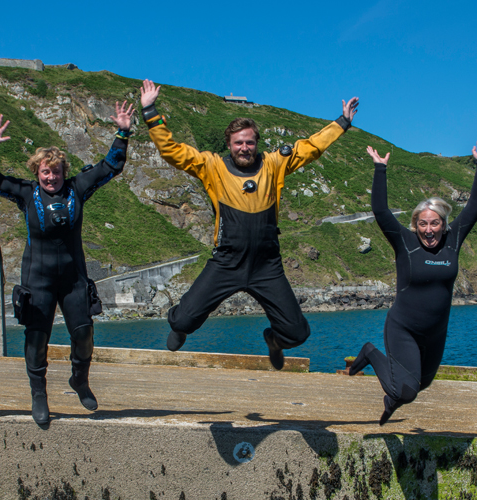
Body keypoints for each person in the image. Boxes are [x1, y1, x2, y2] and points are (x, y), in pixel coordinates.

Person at [138, 79, 358, 369]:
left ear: (257, 143)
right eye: (238, 142)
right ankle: (179, 327)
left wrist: (342, 122)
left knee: (298, 332)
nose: (244, 148)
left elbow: (310, 148)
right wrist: (150, 111)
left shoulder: (274, 163)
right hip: (227, 262)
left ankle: (274, 340)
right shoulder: (212, 165)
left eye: (249, 142)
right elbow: (172, 151)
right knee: (183, 320)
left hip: (267, 264)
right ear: (228, 144)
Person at [0, 103, 133, 425]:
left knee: (85, 334)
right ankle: (39, 394)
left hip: (74, 280)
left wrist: (123, 132)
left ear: (64, 171)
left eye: (56, 171)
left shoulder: (77, 188)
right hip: (38, 280)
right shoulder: (25, 193)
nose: (51, 177)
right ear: (37, 172)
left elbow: (111, 166)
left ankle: (80, 380)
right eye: (45, 171)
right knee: (36, 340)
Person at [348, 140, 477, 425]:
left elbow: (475, 205)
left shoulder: (454, 240)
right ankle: (370, 352)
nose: (428, 230)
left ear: (444, 224)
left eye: (435, 223)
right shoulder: (405, 242)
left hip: (435, 332)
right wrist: (380, 169)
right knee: (407, 389)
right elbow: (381, 211)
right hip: (404, 327)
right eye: (423, 224)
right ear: (415, 224)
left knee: (419, 385)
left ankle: (392, 400)